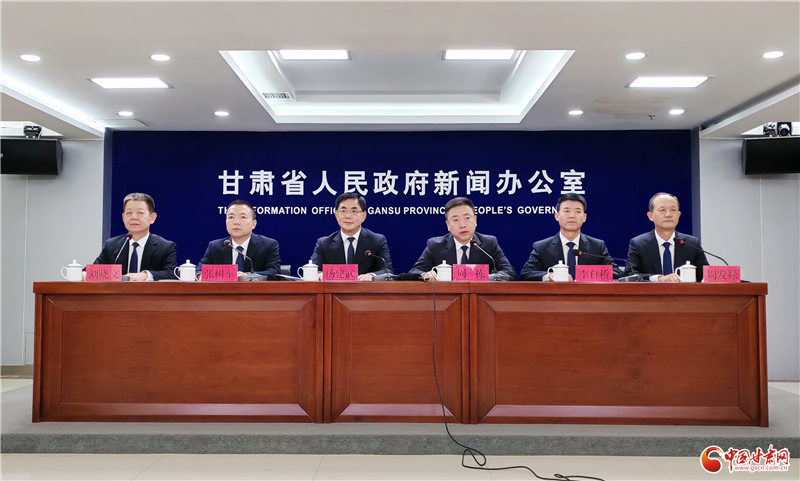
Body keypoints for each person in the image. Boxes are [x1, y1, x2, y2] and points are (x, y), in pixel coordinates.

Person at [520, 193, 622, 281]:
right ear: (557, 216)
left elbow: (616, 272)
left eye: (577, 211)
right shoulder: (542, 247)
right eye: (566, 211)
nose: (572, 215)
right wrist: (549, 276)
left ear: (584, 217)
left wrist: (585, 276)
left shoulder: (597, 246)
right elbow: (526, 273)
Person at [410, 197, 516, 280]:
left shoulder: (489, 244)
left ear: (475, 220)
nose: (462, 225)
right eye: (456, 220)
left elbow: (509, 273)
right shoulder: (436, 246)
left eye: (467, 218)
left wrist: (489, 277)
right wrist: (426, 275)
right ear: (448, 225)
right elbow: (414, 272)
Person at [89, 193, 177, 281]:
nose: (134, 217)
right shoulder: (112, 245)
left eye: (140, 213)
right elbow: (92, 272)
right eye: (129, 213)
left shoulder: (165, 247)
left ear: (152, 218)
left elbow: (172, 274)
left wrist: (145, 275)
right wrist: (83, 274)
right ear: (123, 217)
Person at [626, 192, 708, 282]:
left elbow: (707, 276)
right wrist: (659, 279)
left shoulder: (691, 243)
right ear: (651, 216)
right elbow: (630, 275)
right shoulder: (638, 244)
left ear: (678, 215)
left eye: (673, 210)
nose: (668, 214)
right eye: (662, 210)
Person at [310, 192, 393, 281]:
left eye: (354, 211)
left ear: (363, 215)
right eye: (343, 211)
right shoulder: (324, 244)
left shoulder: (377, 241)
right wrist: (319, 274)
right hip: (334, 290)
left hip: (365, 289)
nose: (348, 216)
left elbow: (388, 271)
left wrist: (371, 276)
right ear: (336, 215)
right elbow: (313, 270)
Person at [196, 199, 281, 279]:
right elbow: (199, 271)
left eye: (243, 217)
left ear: (253, 224)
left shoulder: (268, 245)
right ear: (226, 223)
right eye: (231, 217)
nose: (236, 222)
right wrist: (201, 276)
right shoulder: (215, 247)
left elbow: (274, 272)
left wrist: (248, 276)